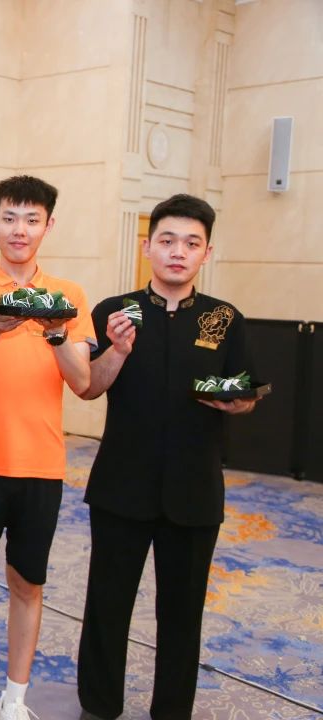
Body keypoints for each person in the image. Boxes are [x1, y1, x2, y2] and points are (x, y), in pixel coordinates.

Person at [77, 194, 258, 720]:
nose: (178, 252)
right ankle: (99, 706)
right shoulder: (115, 312)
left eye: (192, 243)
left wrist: (238, 401)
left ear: (207, 253)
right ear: (147, 246)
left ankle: (172, 710)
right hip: (121, 484)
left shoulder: (224, 318)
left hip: (194, 489)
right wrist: (117, 351)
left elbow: (247, 392)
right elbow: (89, 387)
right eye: (168, 240)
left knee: (182, 612)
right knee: (107, 604)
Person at [0, 175, 94, 720]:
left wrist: (55, 331)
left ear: (48, 225)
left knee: (28, 584)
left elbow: (82, 381)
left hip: (41, 466)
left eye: (32, 219)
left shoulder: (69, 296)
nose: (19, 230)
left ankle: (15, 698)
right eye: (9, 217)